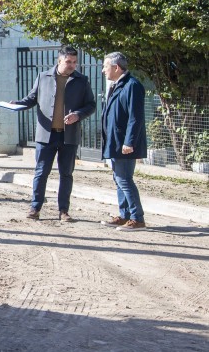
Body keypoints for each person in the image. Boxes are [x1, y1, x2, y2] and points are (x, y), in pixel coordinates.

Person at [11, 45, 96, 223]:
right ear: (59, 60)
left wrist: (78, 115)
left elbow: (91, 105)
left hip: (69, 136)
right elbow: (31, 99)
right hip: (46, 136)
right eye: (68, 62)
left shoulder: (82, 80)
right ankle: (35, 207)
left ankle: (63, 211)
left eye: (74, 62)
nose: (72, 65)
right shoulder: (44, 77)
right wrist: (17, 104)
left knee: (66, 174)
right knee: (41, 172)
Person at [100, 52, 147, 230]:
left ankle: (137, 218)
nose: (103, 70)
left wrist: (129, 142)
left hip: (124, 143)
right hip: (115, 141)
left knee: (124, 179)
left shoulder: (132, 85)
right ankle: (124, 215)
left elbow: (136, 118)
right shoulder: (118, 84)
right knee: (119, 179)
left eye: (105, 66)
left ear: (116, 67)